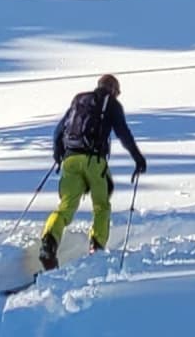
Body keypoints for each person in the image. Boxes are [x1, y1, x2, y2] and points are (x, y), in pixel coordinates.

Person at [39, 73, 147, 270]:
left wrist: (58, 155)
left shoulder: (79, 100)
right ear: (114, 90)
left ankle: (49, 243)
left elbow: (58, 131)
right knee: (101, 206)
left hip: (70, 160)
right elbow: (123, 133)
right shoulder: (112, 104)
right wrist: (138, 158)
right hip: (94, 161)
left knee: (65, 207)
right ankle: (96, 250)